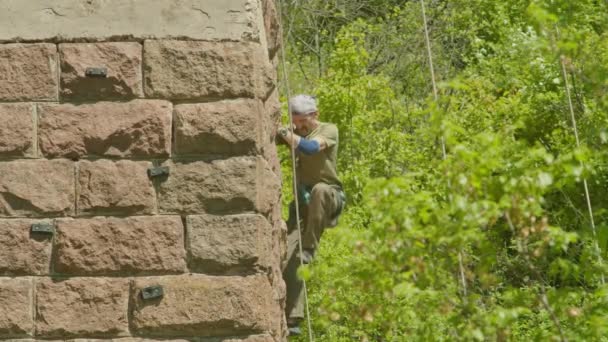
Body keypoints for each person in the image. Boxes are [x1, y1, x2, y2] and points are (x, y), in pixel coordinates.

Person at [277, 94, 345, 336]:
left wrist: (285, 132)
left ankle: (311, 246)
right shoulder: (296, 133)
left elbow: (309, 148)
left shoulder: (328, 130)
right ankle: (291, 317)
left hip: (329, 198)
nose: (299, 126)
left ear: (314, 115)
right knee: (287, 255)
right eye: (294, 121)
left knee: (319, 189)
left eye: (302, 121)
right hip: (303, 208)